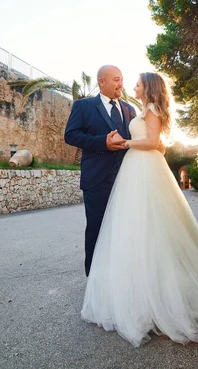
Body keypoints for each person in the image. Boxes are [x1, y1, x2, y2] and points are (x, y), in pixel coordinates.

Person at [80, 72, 198, 347]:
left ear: (148, 88)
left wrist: (127, 143)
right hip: (136, 170)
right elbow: (160, 143)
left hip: (144, 169)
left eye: (137, 84)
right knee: (135, 228)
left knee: (153, 227)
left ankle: (167, 301)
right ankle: (136, 288)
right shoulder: (139, 109)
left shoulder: (150, 109)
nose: (132, 86)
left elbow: (154, 143)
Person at [64, 65, 137, 276]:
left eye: (122, 79)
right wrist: (101, 142)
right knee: (96, 229)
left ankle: (118, 277)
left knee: (122, 230)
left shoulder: (129, 109)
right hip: (96, 180)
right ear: (101, 82)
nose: (121, 84)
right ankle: (94, 279)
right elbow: (71, 135)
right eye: (116, 79)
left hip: (125, 179)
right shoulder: (84, 106)